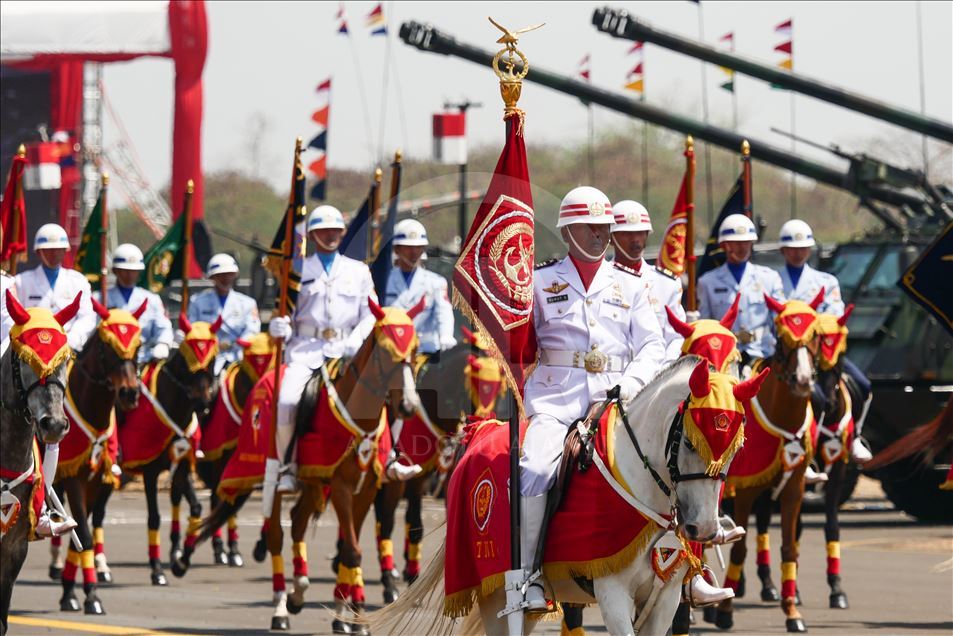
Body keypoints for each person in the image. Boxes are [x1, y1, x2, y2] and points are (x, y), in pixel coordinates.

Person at [519, 186, 667, 611]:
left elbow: (653, 346)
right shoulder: (540, 282)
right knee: (533, 468)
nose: (601, 235)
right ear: (568, 231)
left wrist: (630, 386)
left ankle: (683, 571)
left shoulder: (630, 285)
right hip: (555, 400)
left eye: (605, 228)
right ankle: (529, 576)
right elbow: (522, 347)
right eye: (591, 227)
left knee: (668, 464)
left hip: (616, 401)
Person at [266, 205, 421, 500]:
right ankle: (288, 465)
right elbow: (285, 312)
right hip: (305, 351)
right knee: (286, 400)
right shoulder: (296, 269)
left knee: (390, 390)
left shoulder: (358, 271)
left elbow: (370, 313)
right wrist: (279, 326)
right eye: (325, 230)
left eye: (337, 230)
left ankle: (389, 458)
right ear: (312, 235)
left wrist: (358, 339)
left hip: (348, 350)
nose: (332, 235)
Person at [776, 219, 872, 463]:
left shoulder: (827, 282)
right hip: (786, 355)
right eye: (792, 248)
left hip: (821, 354)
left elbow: (834, 318)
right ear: (783, 250)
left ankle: (855, 436)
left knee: (863, 386)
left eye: (803, 247)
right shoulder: (772, 282)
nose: (798, 252)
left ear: (810, 250)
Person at [697, 214, 785, 366]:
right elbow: (705, 325)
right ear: (724, 246)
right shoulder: (707, 282)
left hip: (764, 355)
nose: (742, 248)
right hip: (725, 357)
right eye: (736, 243)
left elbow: (780, 321)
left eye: (746, 243)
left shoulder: (770, 278)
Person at [610, 199, 685, 364]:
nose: (636, 239)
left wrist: (664, 370)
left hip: (657, 376)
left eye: (641, 232)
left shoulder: (667, 283)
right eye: (627, 234)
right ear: (611, 237)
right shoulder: (601, 280)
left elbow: (676, 337)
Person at [14, 223, 96, 351]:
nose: (54, 253)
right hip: (32, 352)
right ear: (38, 252)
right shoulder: (21, 282)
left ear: (65, 251)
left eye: (59, 249)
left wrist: (70, 341)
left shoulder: (79, 282)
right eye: (48, 249)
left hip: (68, 349)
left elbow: (87, 317)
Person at [383, 219, 456, 357]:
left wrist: (446, 335)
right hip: (393, 351)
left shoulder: (436, 282)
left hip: (426, 351)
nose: (414, 252)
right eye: (408, 247)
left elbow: (444, 313)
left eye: (419, 247)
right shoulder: (384, 282)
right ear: (396, 249)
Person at [188, 253, 260, 375]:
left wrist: (235, 344)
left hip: (238, 358)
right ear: (213, 277)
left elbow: (252, 331)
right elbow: (192, 329)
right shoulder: (197, 301)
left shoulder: (248, 303)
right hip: (206, 358)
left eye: (229, 275)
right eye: (221, 275)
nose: (226, 279)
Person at [106, 243, 174, 364]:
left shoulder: (152, 299)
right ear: (115, 271)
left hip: (144, 359)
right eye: (125, 270)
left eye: (134, 271)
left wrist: (163, 343)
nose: (129, 275)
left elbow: (163, 327)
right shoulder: (101, 298)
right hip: (110, 362)